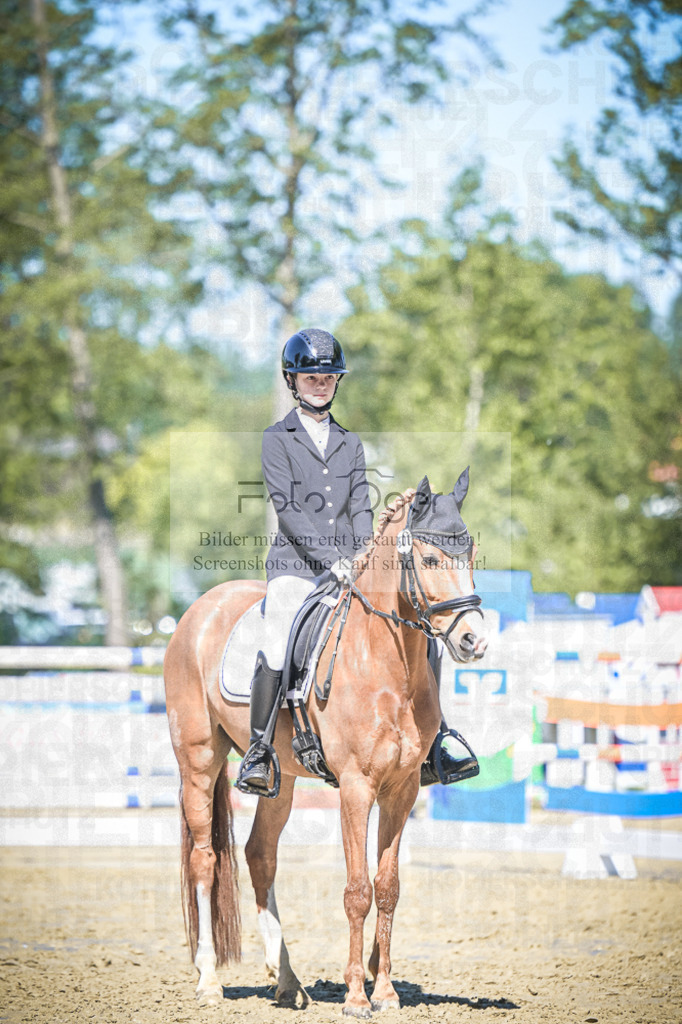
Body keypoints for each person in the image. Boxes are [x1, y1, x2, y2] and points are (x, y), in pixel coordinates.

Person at [236, 327, 478, 795]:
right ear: (293, 380)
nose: (320, 383)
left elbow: (361, 509)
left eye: (328, 377)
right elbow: (288, 509)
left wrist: (364, 558)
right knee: (279, 632)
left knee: (419, 627)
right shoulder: (276, 438)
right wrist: (331, 560)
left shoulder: (350, 443)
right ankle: (260, 750)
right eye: (310, 376)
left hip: (351, 567)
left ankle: (437, 738)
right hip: (296, 569)